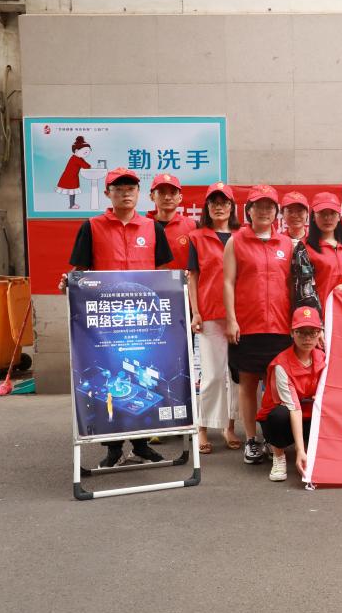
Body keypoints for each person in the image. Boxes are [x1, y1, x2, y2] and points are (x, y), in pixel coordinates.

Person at [63, 168, 174, 467]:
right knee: (111, 378)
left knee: (141, 378)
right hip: (107, 321)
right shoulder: (92, 227)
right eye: (118, 188)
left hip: (143, 321)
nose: (125, 193)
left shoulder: (153, 229)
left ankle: (141, 445)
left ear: (139, 193)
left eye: (131, 188)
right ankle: (113, 448)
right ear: (107, 193)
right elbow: (80, 271)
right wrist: (68, 283)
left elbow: (164, 274)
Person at [222, 184, 294, 465]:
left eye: (269, 206)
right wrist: (231, 319)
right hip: (247, 324)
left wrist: (293, 322)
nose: (264, 211)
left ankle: (273, 439)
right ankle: (251, 440)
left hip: (280, 325)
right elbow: (228, 282)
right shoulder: (235, 241)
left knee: (275, 387)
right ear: (248, 210)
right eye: (258, 206)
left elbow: (291, 285)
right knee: (248, 384)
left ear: (276, 212)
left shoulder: (286, 244)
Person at [187, 182, 241, 454]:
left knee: (236, 376)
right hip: (209, 313)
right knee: (212, 375)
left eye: (224, 202)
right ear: (207, 207)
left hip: (240, 315)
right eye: (214, 203)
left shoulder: (242, 236)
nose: (219, 207)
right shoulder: (197, 237)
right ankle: (202, 428)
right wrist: (195, 311)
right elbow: (193, 277)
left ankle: (229, 427)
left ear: (232, 207)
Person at [256, 306, 326, 482]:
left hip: (310, 416)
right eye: (301, 332)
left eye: (313, 332)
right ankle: (278, 455)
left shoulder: (324, 358)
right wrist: (300, 451)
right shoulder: (281, 365)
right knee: (279, 414)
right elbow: (294, 409)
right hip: (287, 417)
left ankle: (320, 452)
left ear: (320, 333)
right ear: (292, 333)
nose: (307, 338)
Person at [301, 192, 342, 311]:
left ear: (339, 216)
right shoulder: (304, 248)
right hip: (318, 315)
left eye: (332, 213)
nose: (327, 218)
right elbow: (303, 291)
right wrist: (317, 318)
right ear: (313, 217)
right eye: (322, 213)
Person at [147, 173, 197, 271]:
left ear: (180, 197)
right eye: (162, 192)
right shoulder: (142, 226)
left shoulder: (193, 226)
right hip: (150, 281)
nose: (167, 197)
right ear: (152, 197)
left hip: (184, 281)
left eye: (173, 192)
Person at [56, 136, 90, 210]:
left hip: (71, 176)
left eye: (88, 152)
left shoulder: (77, 157)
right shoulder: (76, 159)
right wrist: (89, 166)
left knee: (72, 192)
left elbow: (84, 164)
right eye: (85, 152)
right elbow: (85, 166)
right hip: (70, 178)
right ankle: (71, 205)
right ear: (77, 150)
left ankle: (72, 204)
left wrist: (87, 165)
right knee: (72, 192)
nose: (87, 154)